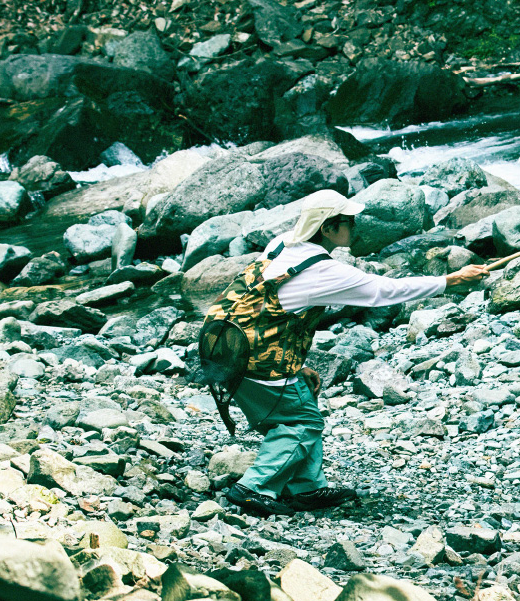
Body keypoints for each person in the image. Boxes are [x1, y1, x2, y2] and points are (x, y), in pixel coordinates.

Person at [207, 190, 489, 517]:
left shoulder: (282, 244)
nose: (355, 226)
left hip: (224, 342)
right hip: (251, 356)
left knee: (301, 399)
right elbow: (383, 291)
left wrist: (297, 367)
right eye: (349, 221)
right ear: (326, 228)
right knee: (302, 421)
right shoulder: (324, 270)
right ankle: (253, 489)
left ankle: (305, 488)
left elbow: (265, 311)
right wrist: (450, 280)